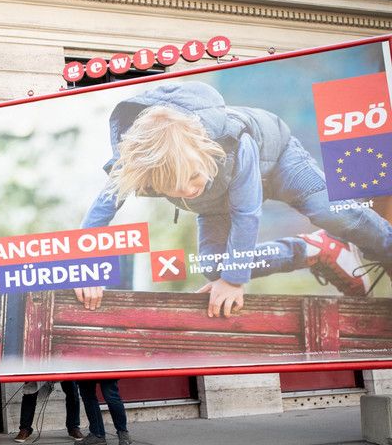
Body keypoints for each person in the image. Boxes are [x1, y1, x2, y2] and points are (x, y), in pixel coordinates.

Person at [76, 81, 392, 318]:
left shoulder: (231, 139)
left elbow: (247, 213)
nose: (189, 190)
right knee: (213, 267)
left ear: (204, 150)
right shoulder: (138, 165)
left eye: (193, 177)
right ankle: (316, 249)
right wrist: (87, 269)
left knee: (331, 213)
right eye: (176, 189)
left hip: (278, 162)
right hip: (217, 202)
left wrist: (234, 280)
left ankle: (387, 246)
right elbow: (98, 215)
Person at [13, 381, 83, 442]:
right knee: (29, 391)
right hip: (38, 369)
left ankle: (74, 427)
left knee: (72, 390)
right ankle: (25, 428)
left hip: (63, 369)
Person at [74, 379, 132, 445]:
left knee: (90, 395)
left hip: (87, 372)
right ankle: (123, 434)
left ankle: (98, 434)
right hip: (104, 372)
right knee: (110, 395)